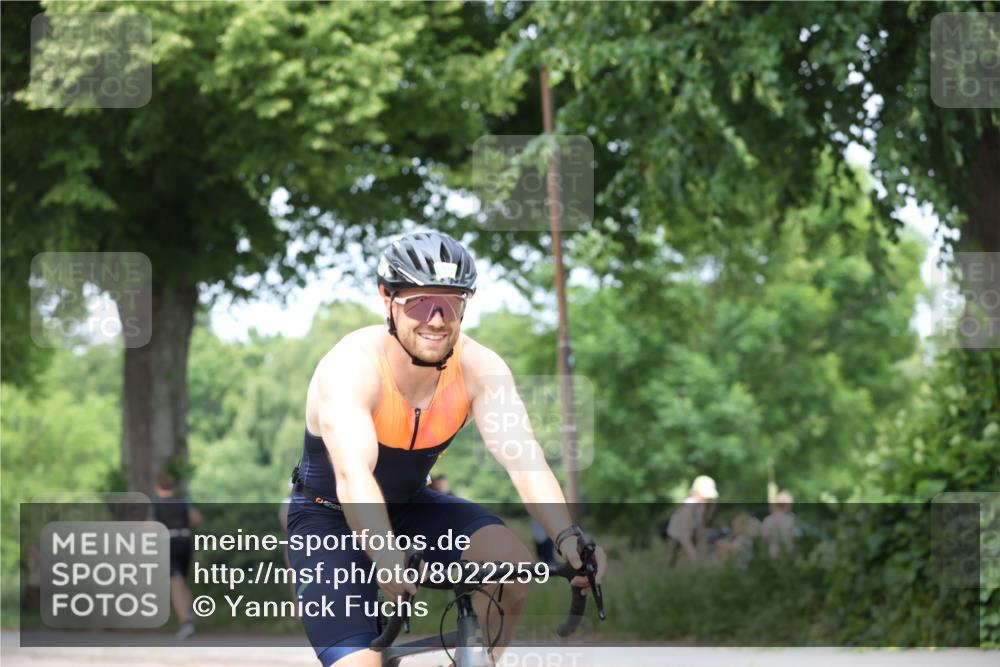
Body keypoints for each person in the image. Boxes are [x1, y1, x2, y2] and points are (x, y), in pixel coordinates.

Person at [287, 231, 606, 667]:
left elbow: (525, 459)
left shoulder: (480, 367)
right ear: (387, 299)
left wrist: (568, 538)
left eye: (451, 303)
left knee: (510, 567)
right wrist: (383, 551)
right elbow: (353, 477)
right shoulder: (351, 367)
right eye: (420, 302)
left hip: (412, 507)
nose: (436, 319)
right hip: (329, 517)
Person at [150, 472, 203, 640]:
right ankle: (190, 610)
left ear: (157, 487)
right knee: (181, 580)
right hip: (186, 541)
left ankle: (185, 622)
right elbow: (196, 518)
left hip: (169, 543)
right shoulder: (183, 501)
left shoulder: (156, 505)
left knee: (175, 581)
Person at [664, 474, 718, 565]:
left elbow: (700, 530)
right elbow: (683, 536)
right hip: (676, 545)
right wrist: (695, 558)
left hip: (687, 543)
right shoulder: (687, 508)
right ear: (696, 493)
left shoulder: (699, 508)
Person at [761, 490, 796, 558]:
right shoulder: (792, 519)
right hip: (789, 553)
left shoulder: (768, 520)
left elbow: (764, 538)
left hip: (774, 554)